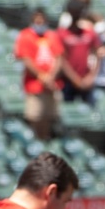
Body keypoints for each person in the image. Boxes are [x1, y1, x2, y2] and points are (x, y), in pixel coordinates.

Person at [14, 8, 63, 141]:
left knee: (48, 116)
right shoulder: (25, 35)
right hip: (35, 84)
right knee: (35, 115)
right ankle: (36, 140)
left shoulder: (52, 35)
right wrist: (42, 76)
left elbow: (59, 57)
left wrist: (51, 77)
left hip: (52, 84)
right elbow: (26, 59)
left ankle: (45, 138)